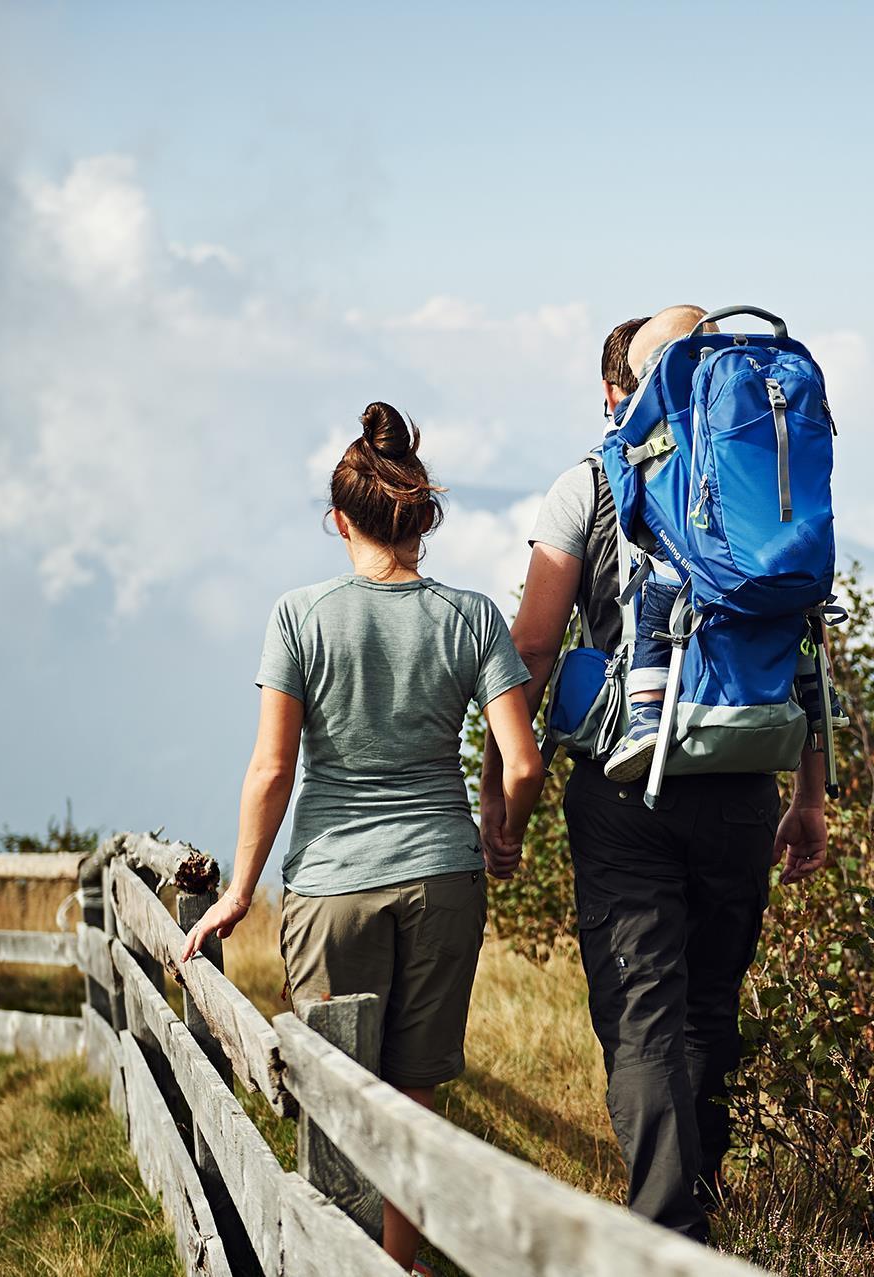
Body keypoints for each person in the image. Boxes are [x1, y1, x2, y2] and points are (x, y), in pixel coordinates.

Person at [486, 306, 832, 1243]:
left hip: (626, 782)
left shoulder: (589, 481)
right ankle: (695, 1223)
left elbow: (531, 643)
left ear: (618, 393)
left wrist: (505, 783)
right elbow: (803, 640)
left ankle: (666, 1237)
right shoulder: (767, 475)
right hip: (747, 776)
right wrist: (809, 794)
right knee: (710, 1005)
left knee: (643, 1017)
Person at [180, 402, 544, 1272]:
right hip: (443, 875)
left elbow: (272, 771)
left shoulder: (300, 616)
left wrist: (238, 891)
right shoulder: (473, 617)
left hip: (334, 882)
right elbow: (522, 764)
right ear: (420, 515)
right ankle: (402, 1262)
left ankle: (332, 1257)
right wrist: (504, 832)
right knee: (413, 1089)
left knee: (337, 1086)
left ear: (339, 519)